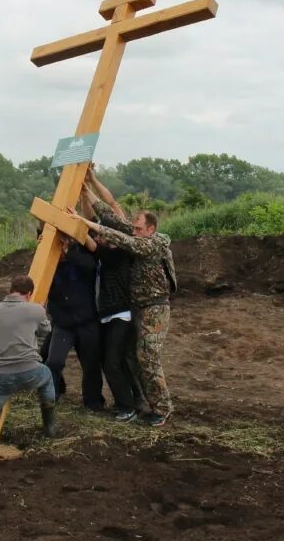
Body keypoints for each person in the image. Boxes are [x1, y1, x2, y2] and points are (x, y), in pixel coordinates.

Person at [70, 173, 177, 427]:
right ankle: (140, 401)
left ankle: (163, 408)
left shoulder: (151, 244)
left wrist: (84, 222)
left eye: (139, 227)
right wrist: (87, 189)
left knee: (147, 356)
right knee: (131, 357)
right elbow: (110, 215)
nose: (135, 229)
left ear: (151, 229)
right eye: (135, 227)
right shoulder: (138, 236)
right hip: (138, 307)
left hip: (155, 307)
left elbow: (119, 237)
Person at [81, 172, 146, 421]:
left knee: (115, 361)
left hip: (122, 312)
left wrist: (87, 187)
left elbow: (109, 209)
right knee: (118, 360)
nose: (100, 236)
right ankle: (131, 402)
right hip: (108, 314)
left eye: (103, 234)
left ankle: (129, 405)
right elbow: (94, 222)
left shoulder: (121, 250)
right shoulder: (108, 252)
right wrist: (86, 186)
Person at [0, 275, 58, 455]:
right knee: (47, 375)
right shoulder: (36, 310)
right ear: (29, 293)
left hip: (2, 376)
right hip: (30, 371)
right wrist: (40, 312)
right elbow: (46, 331)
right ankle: (50, 428)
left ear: (10, 290)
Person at [43, 226, 105, 411]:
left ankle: (93, 402)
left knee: (91, 364)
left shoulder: (80, 256)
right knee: (53, 362)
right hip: (63, 324)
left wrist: (68, 253)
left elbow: (92, 265)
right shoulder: (47, 265)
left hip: (87, 321)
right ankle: (52, 396)